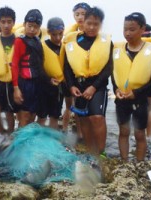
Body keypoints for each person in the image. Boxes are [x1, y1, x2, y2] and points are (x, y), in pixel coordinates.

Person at [112, 12, 151, 161]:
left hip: (140, 100)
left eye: (132, 29)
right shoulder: (117, 49)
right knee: (123, 131)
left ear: (142, 29)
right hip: (121, 99)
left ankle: (139, 163)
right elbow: (113, 74)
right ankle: (124, 161)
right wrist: (116, 89)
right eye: (125, 29)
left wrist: (137, 92)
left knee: (140, 133)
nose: (127, 33)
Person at [63, 7, 112, 156]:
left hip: (98, 86)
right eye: (89, 23)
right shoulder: (72, 41)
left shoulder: (106, 42)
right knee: (83, 119)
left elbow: (109, 68)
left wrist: (93, 87)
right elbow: (67, 67)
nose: (91, 27)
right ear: (83, 22)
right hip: (78, 85)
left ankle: (101, 152)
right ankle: (91, 152)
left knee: (97, 117)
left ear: (101, 25)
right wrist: (71, 85)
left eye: (96, 24)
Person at [12, 9, 47, 127]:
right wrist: (16, 88)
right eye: (30, 26)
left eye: (36, 27)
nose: (32, 29)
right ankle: (21, 142)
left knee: (33, 114)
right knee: (25, 114)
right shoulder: (19, 41)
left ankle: (29, 140)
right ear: (24, 24)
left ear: (39, 28)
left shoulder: (37, 41)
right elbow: (15, 65)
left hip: (37, 82)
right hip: (25, 84)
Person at [61, 2, 90, 136]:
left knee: (84, 107)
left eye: (83, 14)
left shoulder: (94, 35)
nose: (80, 17)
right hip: (71, 77)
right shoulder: (71, 35)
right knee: (69, 106)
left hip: (87, 77)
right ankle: (65, 131)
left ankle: (82, 133)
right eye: (77, 14)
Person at [0, 6, 18, 134]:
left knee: (9, 111)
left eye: (9, 22)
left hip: (12, 81)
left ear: (13, 22)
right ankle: (0, 133)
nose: (6, 25)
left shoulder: (19, 40)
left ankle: (10, 135)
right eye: (3, 22)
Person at [36, 17, 65, 130]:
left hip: (59, 88)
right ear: (48, 32)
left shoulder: (66, 47)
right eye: (54, 34)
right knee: (42, 116)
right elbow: (38, 67)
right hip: (44, 86)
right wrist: (48, 80)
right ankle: (38, 140)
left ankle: (52, 141)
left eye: (60, 34)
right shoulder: (41, 46)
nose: (58, 37)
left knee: (54, 116)